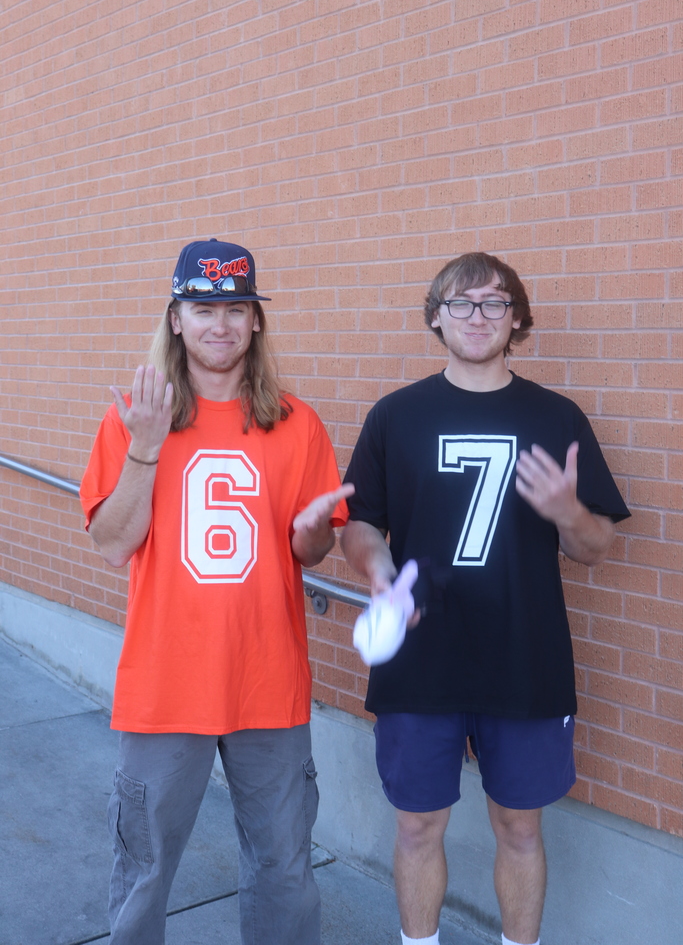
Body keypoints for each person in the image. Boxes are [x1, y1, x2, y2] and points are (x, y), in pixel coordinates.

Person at [341, 252, 630, 945]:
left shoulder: (555, 416)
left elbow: (594, 548)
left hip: (523, 655)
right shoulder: (395, 415)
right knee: (415, 826)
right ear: (435, 316)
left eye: (494, 303)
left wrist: (567, 512)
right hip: (419, 657)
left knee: (520, 827)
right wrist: (379, 570)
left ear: (517, 319)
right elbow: (358, 525)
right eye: (461, 303)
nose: (477, 316)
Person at [80, 238, 352, 945]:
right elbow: (112, 543)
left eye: (236, 307)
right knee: (143, 871)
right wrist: (143, 446)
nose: (220, 324)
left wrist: (314, 531)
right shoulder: (136, 416)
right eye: (204, 308)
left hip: (268, 680)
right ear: (176, 318)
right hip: (166, 684)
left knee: (283, 869)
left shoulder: (296, 422)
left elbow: (310, 549)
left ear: (256, 321)